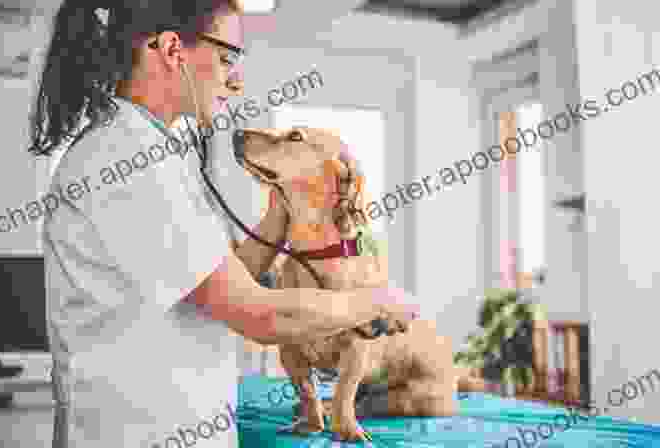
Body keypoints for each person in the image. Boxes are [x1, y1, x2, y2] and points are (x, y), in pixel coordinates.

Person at [29, 0, 418, 446]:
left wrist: (279, 213)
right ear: (173, 49)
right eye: (227, 57)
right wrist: (375, 302)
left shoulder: (153, 153)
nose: (236, 80)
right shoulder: (125, 163)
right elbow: (257, 313)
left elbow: (218, 281)